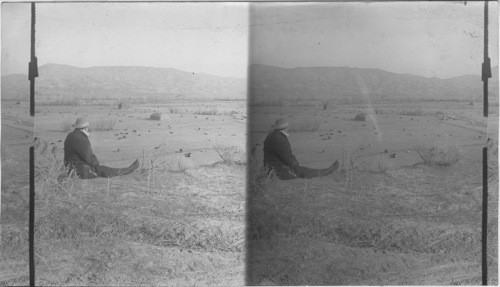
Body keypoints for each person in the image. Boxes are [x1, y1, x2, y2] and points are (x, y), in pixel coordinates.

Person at [263, 118, 339, 180]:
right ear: (283, 128)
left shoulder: (271, 136)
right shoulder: (280, 139)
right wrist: (296, 166)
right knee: (303, 171)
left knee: (302, 170)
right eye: (286, 128)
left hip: (269, 168)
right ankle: (327, 171)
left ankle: (327, 170)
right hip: (279, 171)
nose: (287, 130)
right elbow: (289, 158)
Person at [64, 117, 139, 179]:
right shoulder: (81, 138)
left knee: (104, 169)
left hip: (71, 169)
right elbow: (88, 156)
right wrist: (97, 166)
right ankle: (129, 170)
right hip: (81, 171)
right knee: (108, 170)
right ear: (85, 128)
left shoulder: (70, 136)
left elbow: (66, 156)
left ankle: (129, 169)